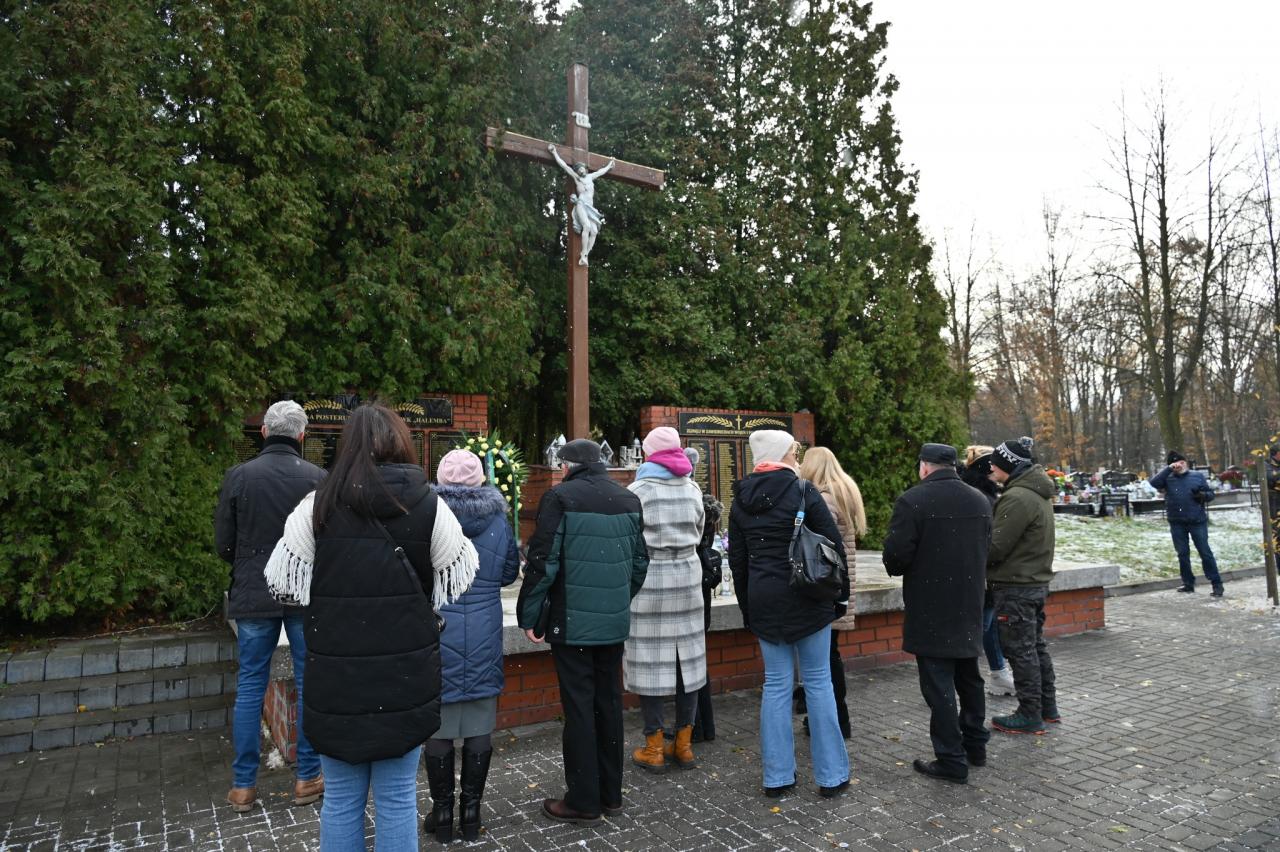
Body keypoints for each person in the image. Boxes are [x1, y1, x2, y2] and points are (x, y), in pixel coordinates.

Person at [262, 403, 478, 850]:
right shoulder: (428, 504)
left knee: (341, 800)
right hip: (404, 677)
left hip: (336, 678)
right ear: (400, 443)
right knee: (398, 799)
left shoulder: (315, 505)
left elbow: (284, 581)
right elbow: (461, 570)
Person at [516, 438, 649, 824]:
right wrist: (617, 600)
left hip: (571, 623)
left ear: (569, 465)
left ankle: (583, 801)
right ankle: (610, 795)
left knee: (579, 709)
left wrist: (529, 616)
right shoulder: (628, 499)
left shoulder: (560, 499)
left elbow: (543, 562)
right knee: (609, 704)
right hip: (612, 623)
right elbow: (640, 563)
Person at [214, 400, 326, 813]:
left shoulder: (240, 476)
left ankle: (243, 786)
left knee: (249, 686)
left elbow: (223, 542)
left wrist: (249, 566)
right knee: (308, 681)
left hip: (254, 591)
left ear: (264, 432)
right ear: (301, 435)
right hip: (302, 591)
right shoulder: (318, 478)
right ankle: (307, 778)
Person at [728, 430, 850, 799]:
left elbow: (738, 562)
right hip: (808, 597)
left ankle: (777, 777)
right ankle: (831, 777)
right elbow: (833, 547)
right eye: (795, 451)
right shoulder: (803, 492)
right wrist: (839, 597)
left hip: (764, 600)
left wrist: (749, 609)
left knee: (776, 686)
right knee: (818, 683)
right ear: (784, 453)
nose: (798, 456)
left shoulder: (740, 500)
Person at [422, 449, 520, 842]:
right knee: (480, 720)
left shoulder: (429, 518)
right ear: (480, 480)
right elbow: (510, 572)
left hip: (439, 628)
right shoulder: (498, 519)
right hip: (482, 628)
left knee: (440, 724)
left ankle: (442, 813)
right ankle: (472, 813)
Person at [883, 444, 992, 784]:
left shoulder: (913, 501)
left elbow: (895, 559)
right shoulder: (979, 500)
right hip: (969, 601)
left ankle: (950, 759)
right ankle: (975, 745)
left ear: (924, 467)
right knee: (969, 677)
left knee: (939, 686)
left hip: (931, 607)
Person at [625, 427, 708, 774]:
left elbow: (629, 537)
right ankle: (684, 744)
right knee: (687, 661)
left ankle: (654, 746)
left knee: (651, 662)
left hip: (651, 578)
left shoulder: (637, 491)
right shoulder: (692, 488)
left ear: (648, 454)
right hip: (688, 575)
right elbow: (701, 529)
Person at [986, 439, 1058, 734]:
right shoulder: (1035, 492)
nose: (990, 466)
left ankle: (1030, 713)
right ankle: (1047, 707)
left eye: (995, 462)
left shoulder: (1017, 497)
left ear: (1008, 464)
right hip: (1033, 582)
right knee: (1035, 647)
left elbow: (996, 547)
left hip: (1016, 586)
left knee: (1020, 651)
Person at [797, 446, 867, 740]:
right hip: (842, 582)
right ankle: (833, 717)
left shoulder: (824, 498)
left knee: (825, 658)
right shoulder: (846, 490)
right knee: (831, 653)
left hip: (826, 584)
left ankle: (835, 719)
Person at [960, 445, 1015, 698]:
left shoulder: (984, 494)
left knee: (990, 627)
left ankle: (999, 673)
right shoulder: (981, 497)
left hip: (986, 573)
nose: (996, 468)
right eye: (992, 463)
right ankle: (957, 679)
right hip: (981, 574)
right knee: (979, 628)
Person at [1149, 451, 1223, 596]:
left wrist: (1202, 496)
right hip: (1177, 522)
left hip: (1197, 520)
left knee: (1205, 552)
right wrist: (1169, 469)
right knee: (1182, 554)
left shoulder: (1197, 476)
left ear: (1186, 463)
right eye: (1176, 463)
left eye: (1182, 462)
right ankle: (1188, 582)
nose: (1180, 465)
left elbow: (1210, 495)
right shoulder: (1167, 478)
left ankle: (1216, 583)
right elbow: (1153, 483)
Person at [689, 446, 724, 744]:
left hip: (691, 589)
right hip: (703, 591)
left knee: (688, 666)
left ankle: (695, 726)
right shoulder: (706, 508)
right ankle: (705, 725)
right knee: (699, 661)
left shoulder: (693, 505)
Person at [548, 143, 616, 265]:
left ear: (585, 169)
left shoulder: (591, 177)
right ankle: (583, 254)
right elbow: (564, 165)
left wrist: (610, 165)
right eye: (578, 170)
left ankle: (585, 255)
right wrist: (554, 153)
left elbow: (601, 171)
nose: (580, 171)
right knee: (587, 226)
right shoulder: (576, 178)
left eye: (582, 169)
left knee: (594, 231)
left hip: (591, 207)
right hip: (581, 204)